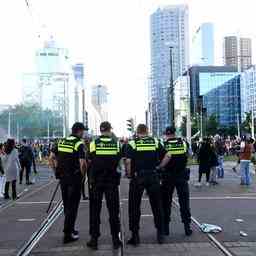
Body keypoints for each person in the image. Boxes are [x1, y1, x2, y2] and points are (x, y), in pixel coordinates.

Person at [125, 124, 169, 246]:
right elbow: (168, 155)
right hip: (153, 176)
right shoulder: (155, 142)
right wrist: (160, 167)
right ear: (147, 131)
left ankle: (135, 236)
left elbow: (128, 161)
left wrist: (129, 174)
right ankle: (160, 234)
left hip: (138, 177)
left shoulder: (132, 144)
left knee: (134, 207)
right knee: (157, 206)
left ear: (137, 132)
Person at [49, 122, 87, 244]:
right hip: (74, 178)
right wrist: (83, 176)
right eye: (83, 131)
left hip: (63, 179)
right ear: (79, 131)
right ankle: (67, 234)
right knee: (73, 207)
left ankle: (70, 229)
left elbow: (51, 158)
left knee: (67, 205)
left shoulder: (61, 141)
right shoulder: (78, 143)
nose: (84, 133)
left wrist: (56, 171)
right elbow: (82, 163)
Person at [86, 121, 122, 250]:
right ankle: (115, 239)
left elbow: (89, 160)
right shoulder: (117, 144)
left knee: (95, 211)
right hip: (111, 181)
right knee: (113, 211)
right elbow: (118, 161)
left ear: (101, 131)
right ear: (110, 130)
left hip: (96, 181)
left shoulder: (93, 144)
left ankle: (94, 240)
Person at [159, 127, 192, 237]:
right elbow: (189, 155)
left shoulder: (163, 144)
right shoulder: (183, 143)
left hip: (167, 176)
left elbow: (161, 159)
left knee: (166, 203)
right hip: (181, 176)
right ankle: (187, 228)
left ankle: (166, 229)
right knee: (184, 203)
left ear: (166, 134)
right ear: (175, 133)